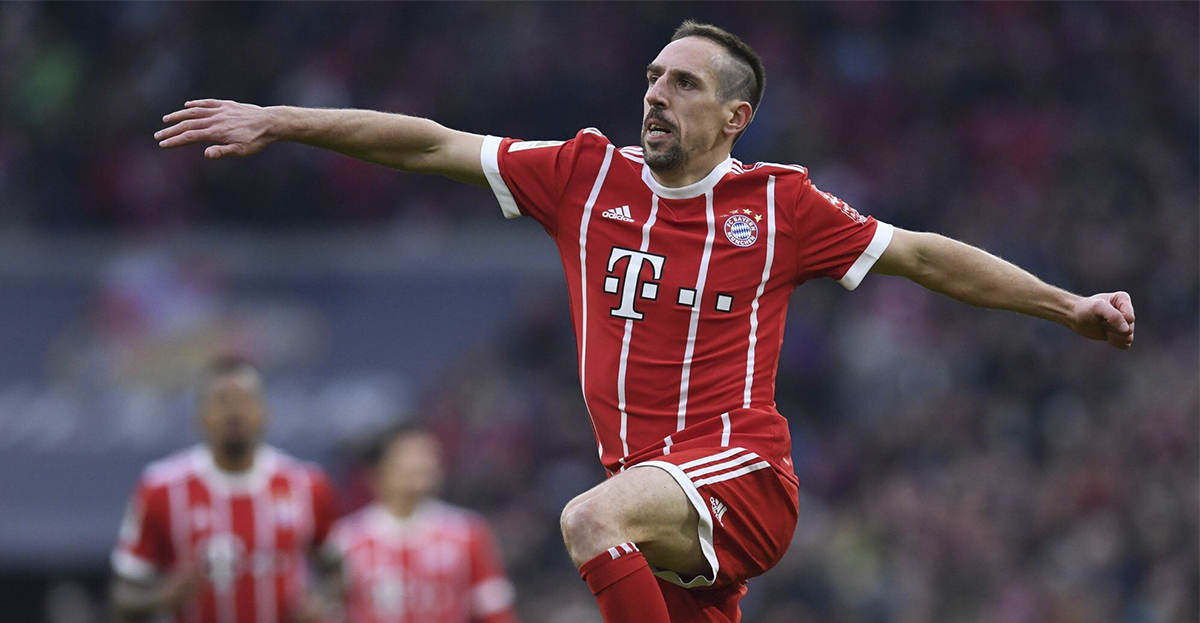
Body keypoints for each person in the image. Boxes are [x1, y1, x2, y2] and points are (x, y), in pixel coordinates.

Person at [154, 20, 1136, 623]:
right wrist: (281, 120)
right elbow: (431, 144)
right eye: (655, 76)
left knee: (587, 515)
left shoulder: (778, 205)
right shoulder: (584, 175)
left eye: (684, 83)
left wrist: (1067, 305)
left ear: (736, 117)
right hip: (659, 513)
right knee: (609, 517)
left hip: (742, 476)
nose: (656, 94)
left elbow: (920, 254)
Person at [110, 356, 339, 623]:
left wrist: (321, 603)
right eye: (221, 401)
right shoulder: (160, 488)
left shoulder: (306, 485)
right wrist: (162, 597)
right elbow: (122, 595)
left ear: (265, 412)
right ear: (201, 416)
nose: (234, 412)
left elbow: (337, 571)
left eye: (244, 400)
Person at [316, 423, 518, 623]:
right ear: (377, 471)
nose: (423, 463)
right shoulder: (345, 539)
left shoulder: (468, 533)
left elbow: (496, 611)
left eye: (429, 455)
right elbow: (329, 610)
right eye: (410, 455)